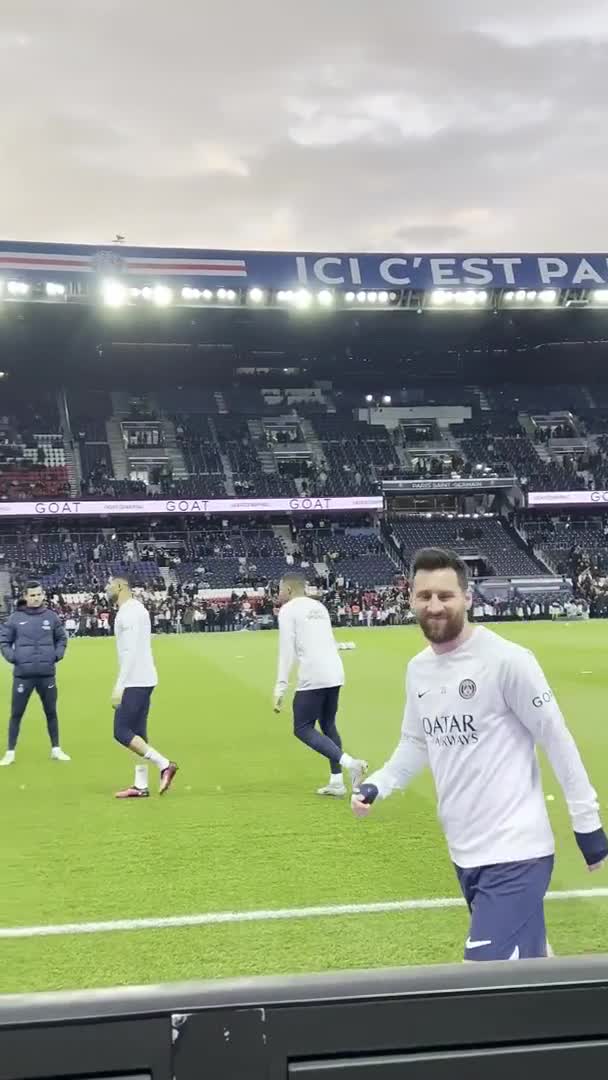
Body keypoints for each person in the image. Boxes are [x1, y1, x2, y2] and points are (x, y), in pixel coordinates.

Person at [352, 547, 607, 961]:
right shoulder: (418, 669)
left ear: (467, 598)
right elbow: (416, 742)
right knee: (528, 965)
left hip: (517, 851)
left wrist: (587, 823)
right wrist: (379, 783)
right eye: (425, 596)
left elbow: (555, 737)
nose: (434, 606)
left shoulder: (507, 661)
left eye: (446, 596)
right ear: (411, 598)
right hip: (465, 850)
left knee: (483, 975)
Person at [273, 570, 367, 796]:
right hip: (335, 672)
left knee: (302, 728)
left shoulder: (288, 611)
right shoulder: (319, 607)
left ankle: (351, 764)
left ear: (287, 589)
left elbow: (287, 651)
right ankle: (336, 782)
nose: (278, 593)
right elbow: (329, 641)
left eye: (278, 589)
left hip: (313, 674)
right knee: (327, 724)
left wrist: (280, 687)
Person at [107, 574, 178, 799]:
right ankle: (140, 785)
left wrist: (120, 685)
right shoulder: (138, 609)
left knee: (121, 732)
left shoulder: (128, 614)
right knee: (138, 734)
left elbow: (130, 652)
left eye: (109, 585)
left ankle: (165, 764)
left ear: (119, 586)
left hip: (134, 680)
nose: (106, 589)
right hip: (146, 678)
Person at [0, 582, 70, 766]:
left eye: (39, 594)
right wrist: (13, 657)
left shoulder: (51, 617)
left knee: (51, 712)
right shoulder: (15, 618)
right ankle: (10, 752)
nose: (36, 598)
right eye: (32, 595)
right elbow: (4, 641)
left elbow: (62, 638)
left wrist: (57, 654)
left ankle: (56, 749)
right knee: (16, 714)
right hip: (23, 675)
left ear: (43, 595)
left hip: (47, 673)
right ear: (25, 596)